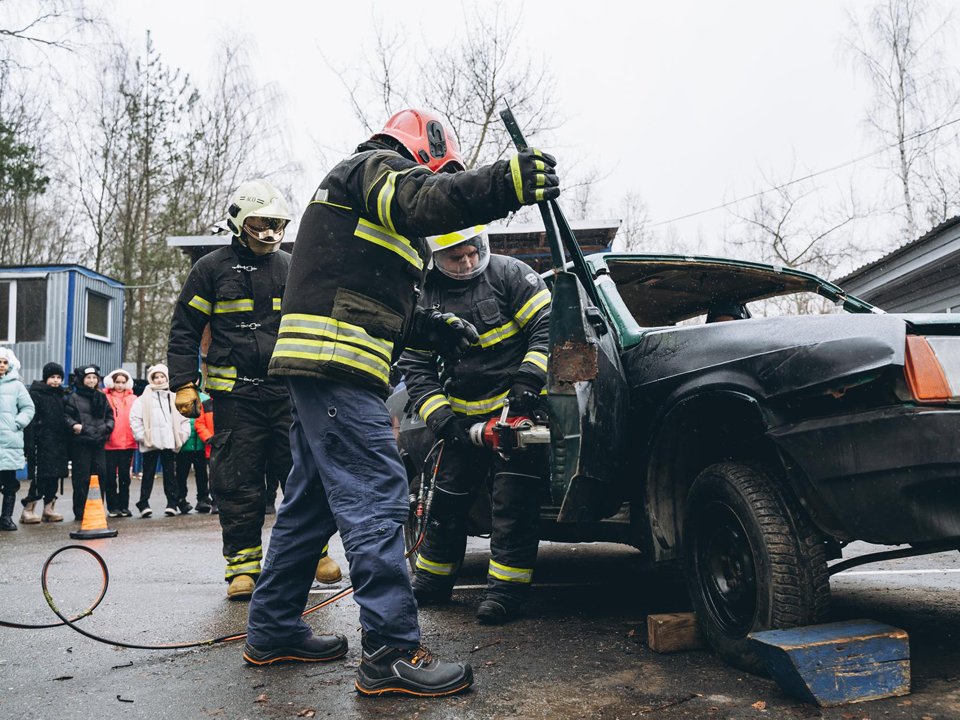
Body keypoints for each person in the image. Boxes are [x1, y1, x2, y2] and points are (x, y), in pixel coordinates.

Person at [241, 108, 559, 697]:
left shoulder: (361, 204)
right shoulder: (372, 168)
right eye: (442, 168)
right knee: (377, 496)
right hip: (337, 368)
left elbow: (365, 297)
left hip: (321, 370)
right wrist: (501, 184)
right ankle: (390, 651)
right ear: (425, 149)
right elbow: (424, 200)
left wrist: (430, 327)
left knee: (310, 505)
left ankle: (272, 628)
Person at [168, 179, 341, 600]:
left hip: (288, 393)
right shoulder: (209, 268)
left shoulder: (293, 265)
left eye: (277, 224)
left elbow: (320, 323)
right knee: (236, 483)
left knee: (301, 476)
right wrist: (183, 384)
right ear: (239, 222)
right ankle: (242, 569)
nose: (269, 233)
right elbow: (184, 329)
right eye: (261, 223)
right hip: (235, 398)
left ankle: (315, 553)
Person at [398, 225, 551, 625]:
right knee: (446, 502)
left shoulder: (511, 275)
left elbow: (548, 329)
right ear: (435, 256)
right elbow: (415, 367)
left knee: (513, 505)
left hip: (514, 411)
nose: (466, 262)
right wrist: (442, 419)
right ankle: (431, 581)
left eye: (471, 253)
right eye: (455, 257)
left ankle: (506, 592)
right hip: (461, 418)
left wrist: (528, 381)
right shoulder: (424, 295)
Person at [130, 364, 190, 517]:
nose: (159, 380)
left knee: (170, 475)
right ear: (151, 379)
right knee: (148, 474)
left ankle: (172, 503)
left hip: (169, 442)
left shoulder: (174, 396)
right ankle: (143, 503)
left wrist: (181, 437)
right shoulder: (142, 399)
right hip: (150, 442)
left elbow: (184, 419)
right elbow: (135, 419)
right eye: (156, 377)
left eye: (162, 376)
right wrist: (142, 437)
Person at [20, 362, 69, 524]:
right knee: (40, 476)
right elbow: (31, 420)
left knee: (55, 477)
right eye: (52, 377)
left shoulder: (61, 395)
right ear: (45, 378)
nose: (55, 381)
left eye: (58, 377)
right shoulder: (36, 394)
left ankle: (48, 509)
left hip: (59, 442)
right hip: (42, 442)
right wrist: (32, 441)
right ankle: (28, 508)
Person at [64, 365, 113, 524]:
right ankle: (80, 511)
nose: (92, 381)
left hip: (99, 443)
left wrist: (107, 428)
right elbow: (67, 416)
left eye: (94, 378)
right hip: (81, 443)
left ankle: (97, 507)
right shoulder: (73, 397)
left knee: (101, 476)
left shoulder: (102, 396)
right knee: (81, 478)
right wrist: (75, 426)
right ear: (81, 380)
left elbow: (110, 416)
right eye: (88, 378)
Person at [0, 348, 35, 531]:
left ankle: (6, 517)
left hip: (9, 441)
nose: (2, 365)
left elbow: (28, 408)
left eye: (5, 362)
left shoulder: (17, 386)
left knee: (9, 483)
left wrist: (16, 424)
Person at [103, 368, 138, 518]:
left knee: (124, 477)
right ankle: (113, 507)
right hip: (110, 443)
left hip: (128, 443)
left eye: (123, 383)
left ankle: (124, 506)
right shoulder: (105, 397)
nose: (120, 385)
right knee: (110, 477)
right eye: (117, 382)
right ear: (112, 382)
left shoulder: (133, 399)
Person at [176, 387, 213, 513]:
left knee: (202, 474)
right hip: (184, 444)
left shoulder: (205, 399)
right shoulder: (179, 397)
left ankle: (203, 499)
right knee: (181, 474)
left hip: (202, 445)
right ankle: (181, 499)